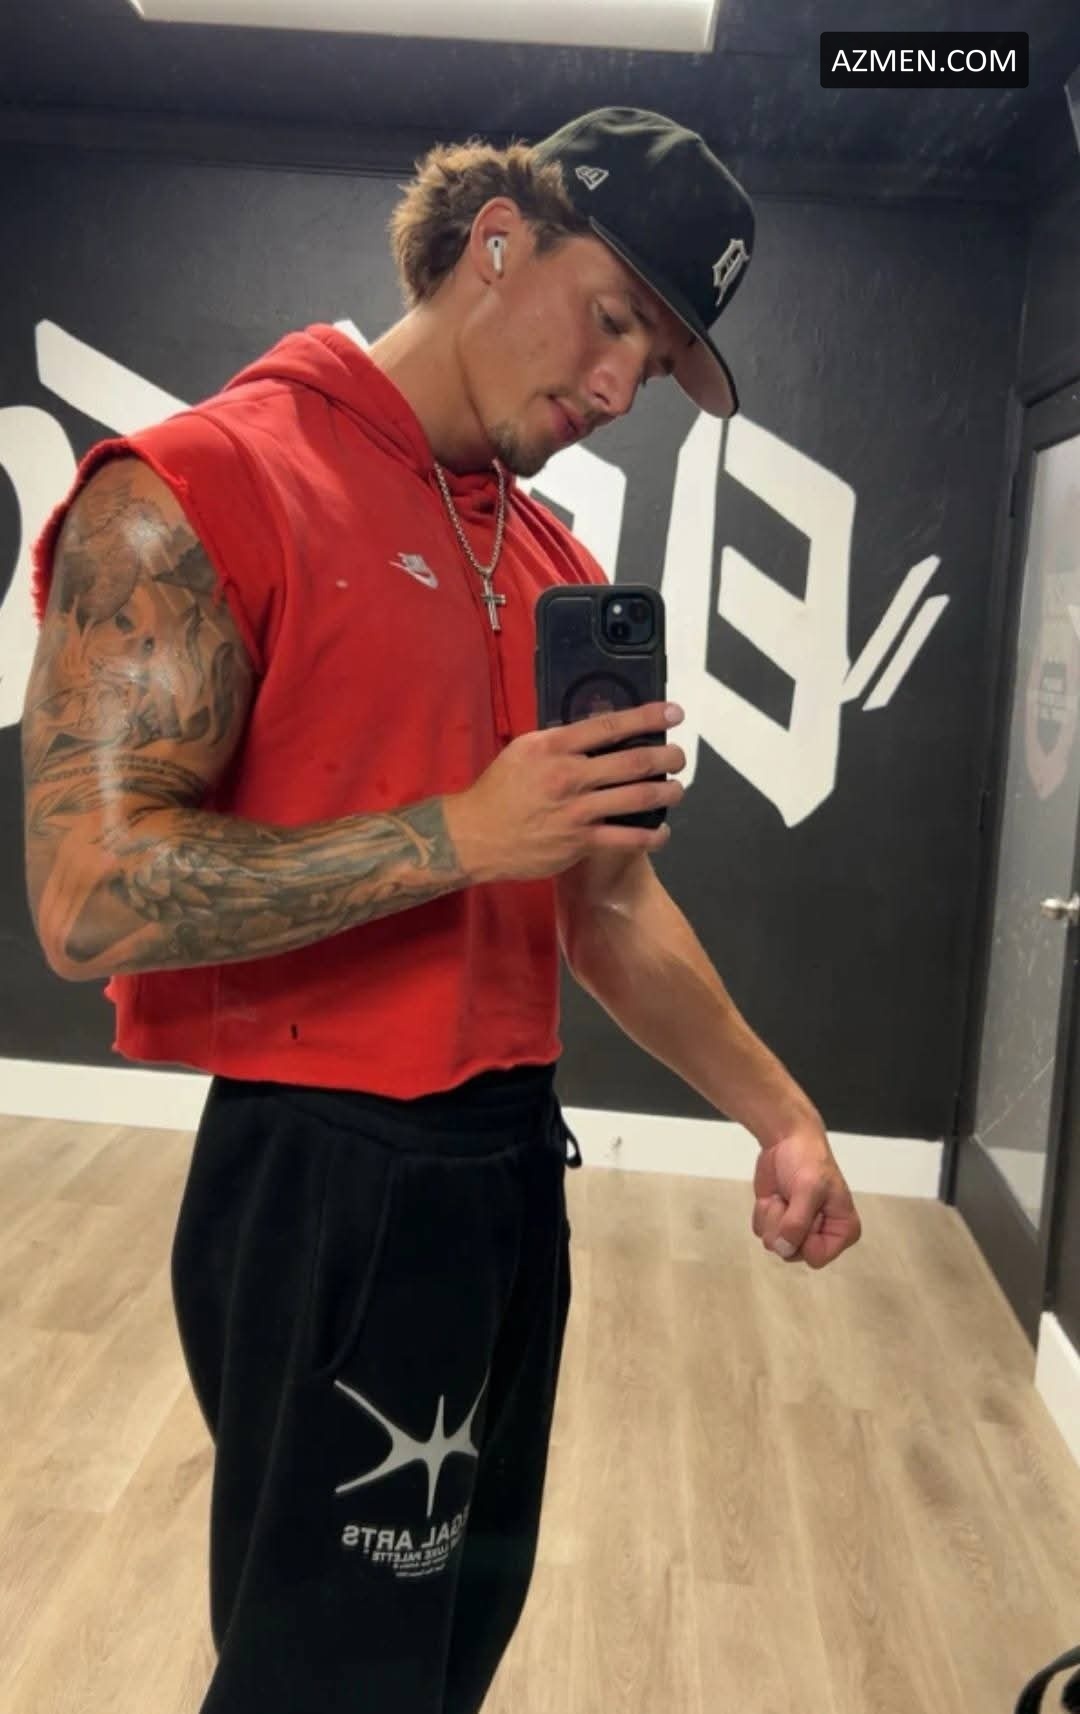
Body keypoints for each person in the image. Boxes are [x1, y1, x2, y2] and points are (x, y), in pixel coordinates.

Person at [20, 107, 861, 1714]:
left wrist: (784, 1115)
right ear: (496, 240)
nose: (619, 387)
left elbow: (606, 903)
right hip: (324, 1173)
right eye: (613, 319)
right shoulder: (200, 483)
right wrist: (463, 834)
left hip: (508, 1171)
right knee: (326, 1679)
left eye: (657, 359)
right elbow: (88, 893)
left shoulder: (545, 554)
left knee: (445, 1657)